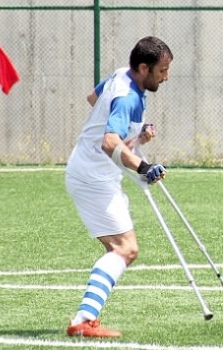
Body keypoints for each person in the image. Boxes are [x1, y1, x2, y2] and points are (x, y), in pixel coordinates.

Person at [64, 36, 173, 337]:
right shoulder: (128, 97)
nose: (166, 76)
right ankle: (83, 320)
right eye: (162, 70)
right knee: (125, 248)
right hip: (93, 178)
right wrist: (143, 166)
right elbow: (109, 141)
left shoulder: (119, 75)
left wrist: (136, 134)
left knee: (121, 249)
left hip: (94, 173)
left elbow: (93, 100)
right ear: (143, 68)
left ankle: (84, 319)